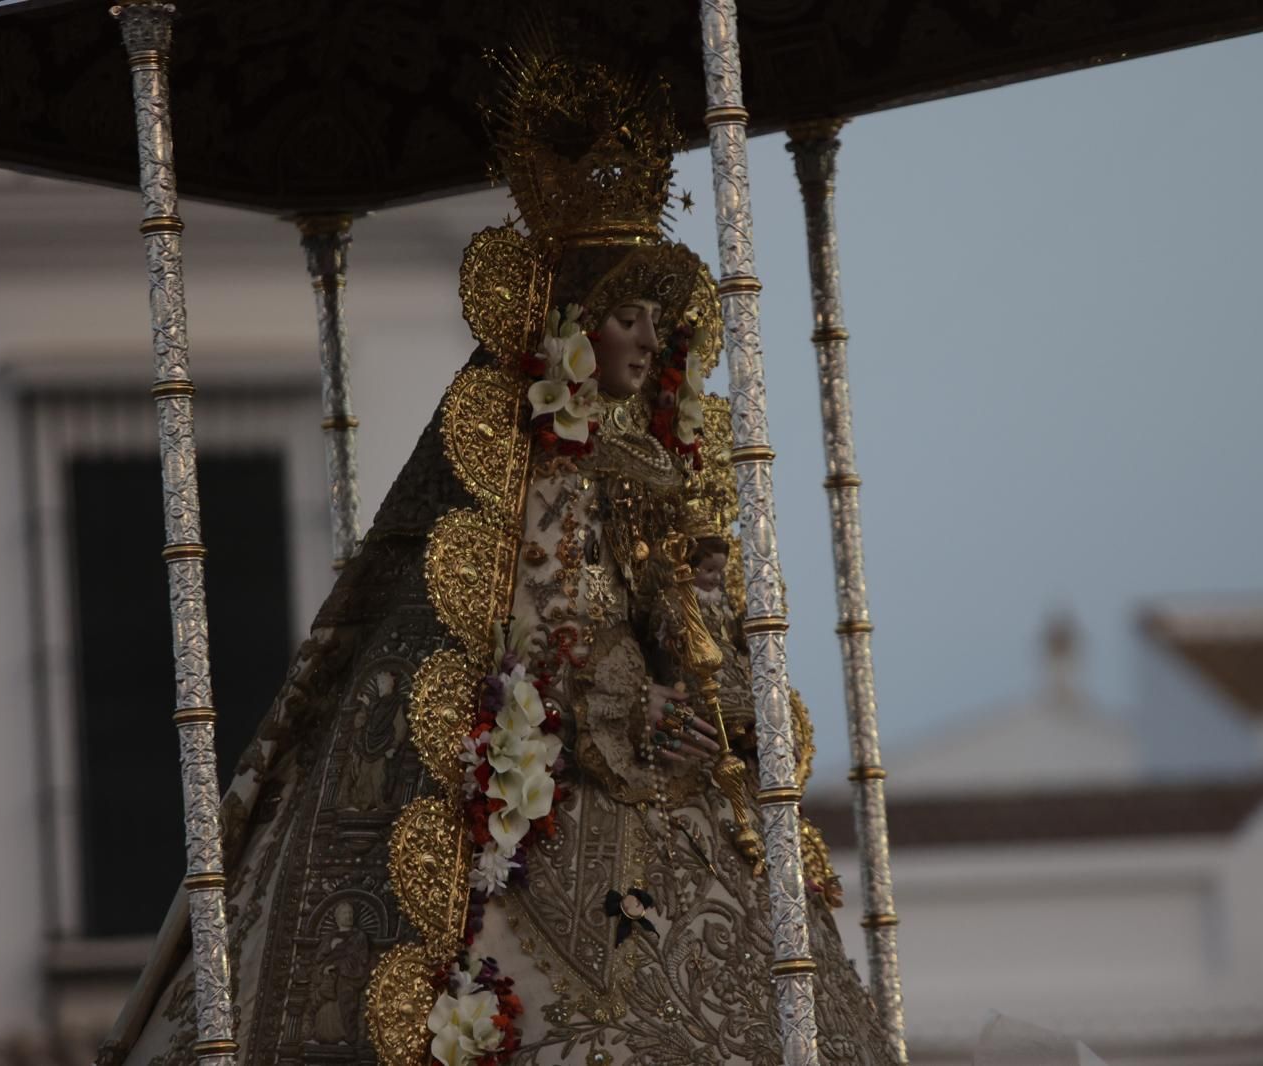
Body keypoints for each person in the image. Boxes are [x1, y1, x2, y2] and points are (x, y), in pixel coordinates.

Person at [103, 50, 894, 1066]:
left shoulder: (671, 467)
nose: (646, 337)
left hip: (684, 795)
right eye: (623, 313)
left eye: (657, 316)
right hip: (565, 782)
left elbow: (715, 629)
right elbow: (540, 628)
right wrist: (628, 702)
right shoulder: (540, 466)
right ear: (571, 327)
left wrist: (718, 699)